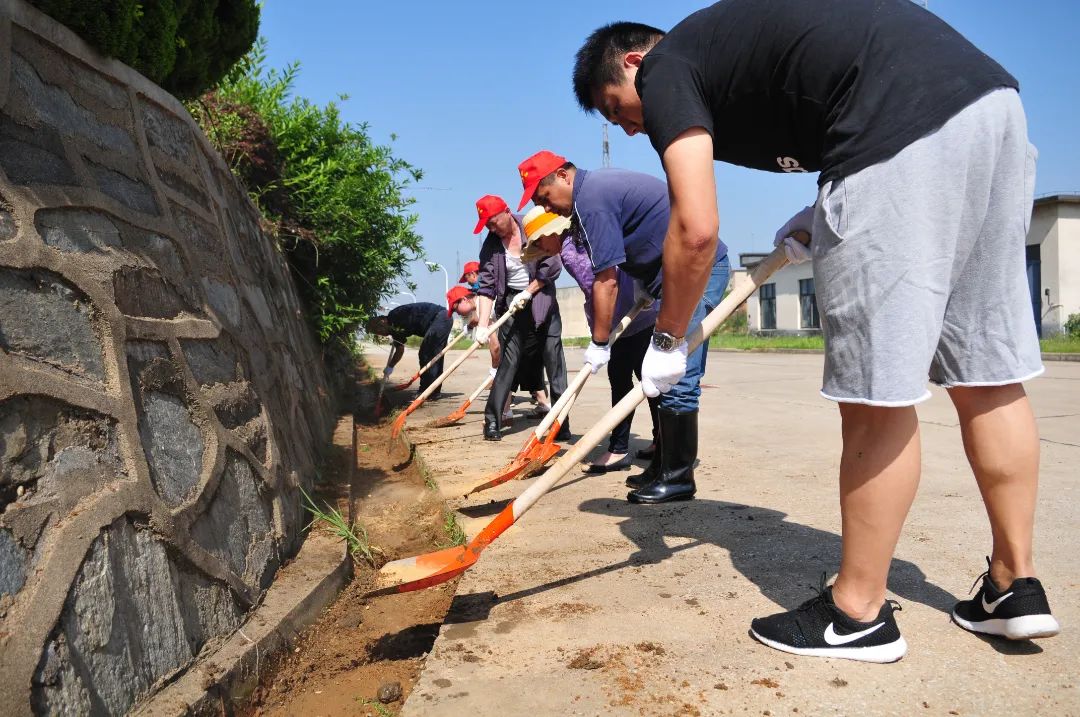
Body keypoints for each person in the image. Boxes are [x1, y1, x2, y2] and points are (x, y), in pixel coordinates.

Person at [572, 0, 1058, 663]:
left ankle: (857, 614)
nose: (630, 128)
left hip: (897, 125)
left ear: (634, 63)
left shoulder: (667, 66)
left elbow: (696, 228)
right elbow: (847, 91)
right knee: (987, 375)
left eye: (616, 107)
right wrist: (824, 206)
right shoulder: (726, 54)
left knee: (877, 391)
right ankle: (1013, 586)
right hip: (990, 109)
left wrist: (668, 340)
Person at [520, 150, 729, 502]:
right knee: (660, 374)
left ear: (563, 176)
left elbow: (606, 280)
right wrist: (648, 282)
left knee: (676, 374)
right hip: (670, 277)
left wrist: (600, 342)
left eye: (545, 197)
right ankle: (663, 465)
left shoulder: (591, 201)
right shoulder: (592, 195)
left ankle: (678, 477)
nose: (547, 208)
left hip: (698, 272)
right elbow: (640, 240)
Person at [522, 206, 659, 473]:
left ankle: (624, 448)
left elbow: (599, 288)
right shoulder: (577, 239)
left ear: (551, 232)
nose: (541, 249)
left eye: (539, 241)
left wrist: (599, 337)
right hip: (630, 313)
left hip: (629, 315)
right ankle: (653, 441)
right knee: (642, 379)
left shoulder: (573, 249)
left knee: (631, 381)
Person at [471, 194, 569, 441]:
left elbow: (552, 265)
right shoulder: (491, 245)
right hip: (511, 306)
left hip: (541, 298)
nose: (492, 229)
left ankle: (560, 423)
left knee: (554, 362)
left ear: (506, 212)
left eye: (493, 222)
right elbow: (487, 287)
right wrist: (482, 325)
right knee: (508, 362)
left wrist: (528, 291)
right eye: (487, 225)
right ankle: (493, 420)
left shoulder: (532, 225)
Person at [366, 301, 453, 398]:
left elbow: (400, 347)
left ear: (382, 321)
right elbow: (400, 349)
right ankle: (433, 392)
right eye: (377, 333)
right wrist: (390, 367)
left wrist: (390, 366)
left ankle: (426, 391)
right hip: (441, 319)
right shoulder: (394, 327)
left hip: (440, 317)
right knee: (435, 356)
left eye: (378, 330)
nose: (380, 334)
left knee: (427, 354)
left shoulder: (395, 316)